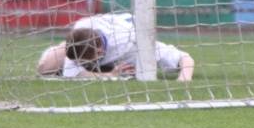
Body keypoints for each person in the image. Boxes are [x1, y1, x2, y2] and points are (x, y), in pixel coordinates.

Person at [36, 12, 194, 81]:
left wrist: (184, 78)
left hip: (127, 30)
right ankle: (62, 47)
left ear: (99, 52)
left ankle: (101, 66)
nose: (81, 64)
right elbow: (71, 73)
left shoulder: (134, 42)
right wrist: (110, 74)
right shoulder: (81, 28)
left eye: (85, 61)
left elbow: (186, 58)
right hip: (107, 31)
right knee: (45, 69)